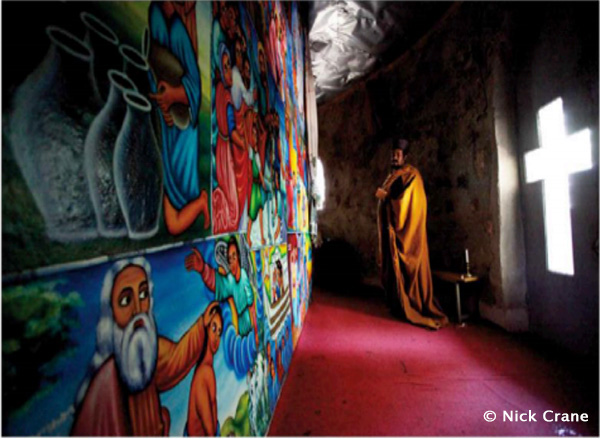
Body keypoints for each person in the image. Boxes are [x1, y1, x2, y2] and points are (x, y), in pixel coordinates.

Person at [71, 258, 219, 436]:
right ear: (111, 313)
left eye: (143, 295)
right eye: (126, 300)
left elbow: (176, 359)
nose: (137, 309)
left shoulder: (150, 352)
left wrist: (203, 323)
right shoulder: (103, 387)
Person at [148, 1, 210, 235]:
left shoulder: (178, 31)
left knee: (174, 222)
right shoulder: (156, 15)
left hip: (183, 128)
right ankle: (201, 201)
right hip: (167, 123)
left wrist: (172, 95)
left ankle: (202, 200)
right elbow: (155, 69)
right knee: (172, 219)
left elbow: (194, 84)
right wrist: (162, 103)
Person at [376, 139, 448, 330]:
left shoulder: (413, 176)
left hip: (408, 236)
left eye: (398, 154)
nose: (395, 157)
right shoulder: (392, 176)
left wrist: (388, 198)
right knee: (394, 270)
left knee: (410, 270)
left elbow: (408, 205)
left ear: (405, 157)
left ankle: (415, 305)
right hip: (393, 234)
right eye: (393, 153)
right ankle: (398, 305)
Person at [185, 237, 259, 346]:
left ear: (238, 257)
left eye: (234, 256)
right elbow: (217, 283)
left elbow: (252, 304)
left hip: (250, 325)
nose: (232, 262)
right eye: (229, 259)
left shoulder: (244, 276)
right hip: (242, 331)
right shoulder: (230, 281)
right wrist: (203, 269)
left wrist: (256, 331)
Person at [187, 306, 223, 436]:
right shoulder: (204, 373)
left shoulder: (206, 369)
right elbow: (210, 431)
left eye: (219, 332)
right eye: (213, 328)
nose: (216, 338)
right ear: (206, 328)